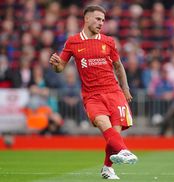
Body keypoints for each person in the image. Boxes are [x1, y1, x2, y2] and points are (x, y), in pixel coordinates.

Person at [49, 5, 138, 180]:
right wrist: (56, 64)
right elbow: (60, 67)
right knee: (104, 126)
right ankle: (124, 151)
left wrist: (125, 89)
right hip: (92, 95)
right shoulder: (73, 42)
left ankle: (107, 168)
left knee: (114, 135)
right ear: (87, 18)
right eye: (98, 19)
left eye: (103, 20)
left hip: (114, 92)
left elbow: (118, 66)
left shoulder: (108, 41)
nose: (101, 23)